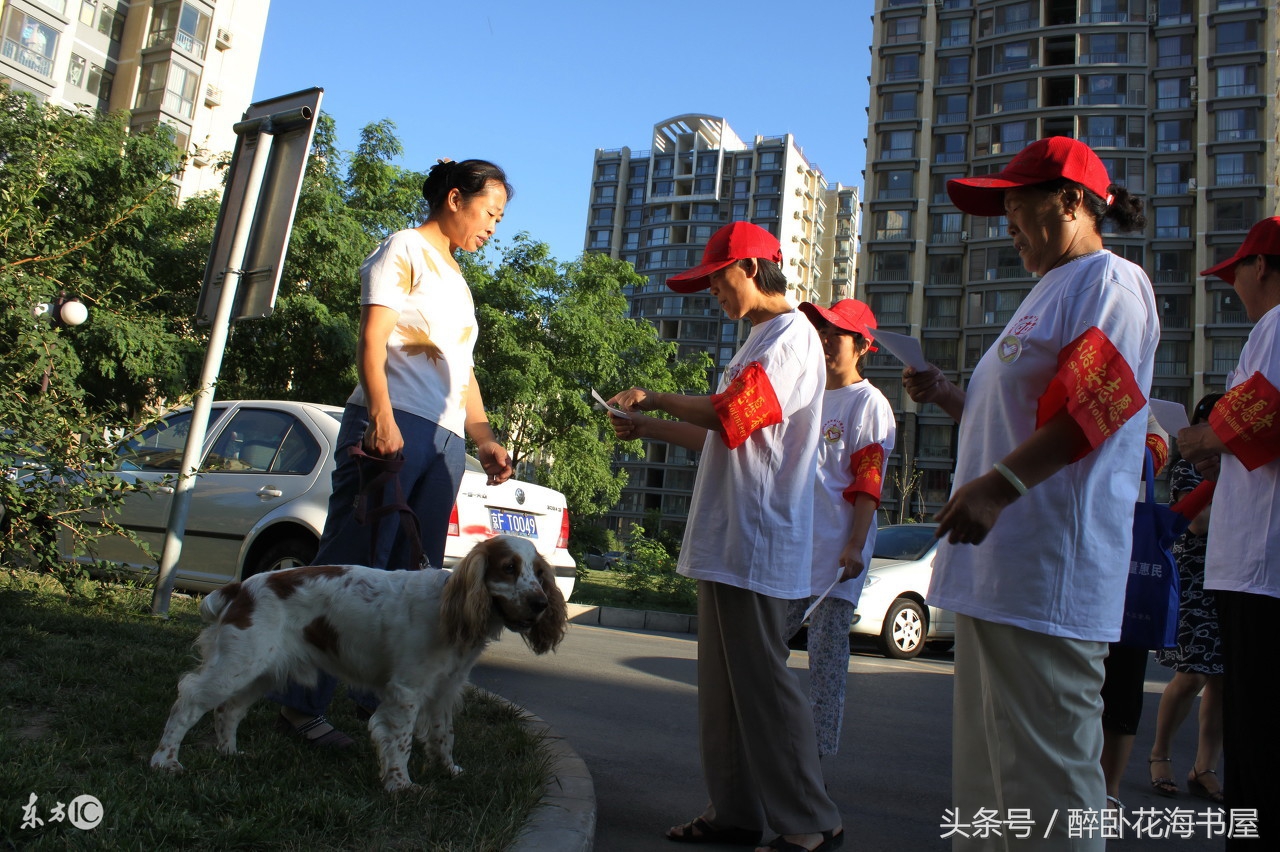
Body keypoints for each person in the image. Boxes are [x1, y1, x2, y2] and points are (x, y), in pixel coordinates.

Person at [903, 136, 1159, 850]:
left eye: (1016, 206)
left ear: (1071, 202)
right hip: (997, 573)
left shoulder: (1110, 282)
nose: (1007, 223)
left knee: (1048, 789)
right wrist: (950, 397)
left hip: (1048, 576)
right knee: (991, 786)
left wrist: (1001, 485)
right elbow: (1015, 421)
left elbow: (1096, 405)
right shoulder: (1048, 291)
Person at [607, 221, 843, 852]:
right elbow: (724, 433)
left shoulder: (792, 336)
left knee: (762, 687)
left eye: (716, 279)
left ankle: (812, 821)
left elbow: (732, 412)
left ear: (749, 268)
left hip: (757, 538)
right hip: (729, 536)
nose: (712, 292)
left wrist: (656, 396)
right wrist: (647, 425)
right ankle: (734, 814)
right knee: (724, 692)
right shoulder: (758, 340)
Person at [272, 158, 516, 746]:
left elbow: (463, 371)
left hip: (444, 439)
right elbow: (372, 337)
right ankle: (301, 706)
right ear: (455, 199)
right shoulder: (403, 248)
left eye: (499, 219)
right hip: (393, 423)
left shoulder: (458, 281)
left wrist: (483, 438)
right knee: (351, 568)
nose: (492, 227)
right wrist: (380, 417)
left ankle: (380, 705)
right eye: (489, 213)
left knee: (412, 579)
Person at [1176, 216, 1280, 848]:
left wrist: (1197, 438)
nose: (1232, 286)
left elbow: (1258, 413)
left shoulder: (1275, 325)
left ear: (1260, 266)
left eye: (1234, 272)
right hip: (1256, 568)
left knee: (1256, 743)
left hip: (1259, 571)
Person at [783, 299, 895, 760]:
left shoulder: (869, 403)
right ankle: (778, 747)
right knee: (767, 646)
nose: (826, 341)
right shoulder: (808, 394)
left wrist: (855, 545)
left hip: (836, 560)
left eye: (838, 335)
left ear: (863, 346)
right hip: (793, 551)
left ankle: (816, 763)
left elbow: (868, 482)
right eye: (823, 332)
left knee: (826, 661)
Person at [1148, 392, 1225, 803]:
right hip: (1195, 580)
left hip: (1234, 578)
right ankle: (1159, 754)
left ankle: (1204, 767)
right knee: (1192, 673)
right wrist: (1224, 481)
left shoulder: (1243, 468)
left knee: (1223, 680)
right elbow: (1198, 524)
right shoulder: (1187, 470)